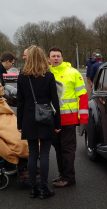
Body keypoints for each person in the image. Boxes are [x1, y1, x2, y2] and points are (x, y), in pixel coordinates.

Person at [17, 45, 61, 199]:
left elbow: (20, 103)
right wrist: (57, 124)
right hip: (45, 118)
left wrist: (19, 124)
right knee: (45, 154)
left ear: (28, 58)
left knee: (32, 153)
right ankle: (44, 188)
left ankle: (34, 189)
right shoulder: (48, 76)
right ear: (43, 57)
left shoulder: (22, 76)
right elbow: (55, 102)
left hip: (28, 120)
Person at [48, 47, 89, 188]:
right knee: (58, 149)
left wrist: (83, 118)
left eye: (58, 55)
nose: (56, 58)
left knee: (68, 149)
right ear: (49, 58)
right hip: (52, 119)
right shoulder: (46, 73)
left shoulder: (73, 73)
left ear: (62, 57)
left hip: (69, 119)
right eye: (53, 56)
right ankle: (62, 175)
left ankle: (69, 178)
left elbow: (83, 96)